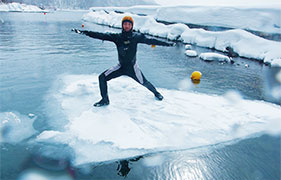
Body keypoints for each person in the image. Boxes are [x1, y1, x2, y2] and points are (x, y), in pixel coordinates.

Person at [72, 16, 174, 107]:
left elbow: (151, 41)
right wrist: (84, 32)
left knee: (145, 82)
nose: (126, 26)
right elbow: (101, 35)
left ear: (132, 26)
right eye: (125, 24)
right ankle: (105, 100)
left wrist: (167, 44)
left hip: (132, 68)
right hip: (120, 67)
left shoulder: (136, 37)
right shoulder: (117, 37)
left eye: (129, 24)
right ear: (122, 25)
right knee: (102, 77)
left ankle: (156, 93)